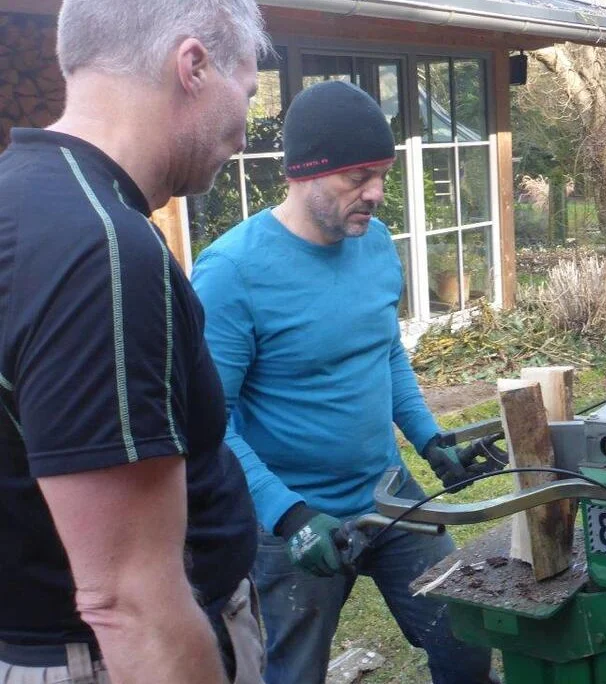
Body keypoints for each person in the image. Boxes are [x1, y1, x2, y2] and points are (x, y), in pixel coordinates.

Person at [0, 1, 271, 683]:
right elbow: (128, 603)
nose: (244, 131)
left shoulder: (20, 205)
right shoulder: (101, 255)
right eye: (248, 90)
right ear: (194, 66)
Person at [191, 80, 495, 684]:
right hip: (292, 521)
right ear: (304, 173)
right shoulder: (231, 274)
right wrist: (289, 514)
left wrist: (432, 441)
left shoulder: (374, 243)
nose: (376, 193)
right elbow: (209, 423)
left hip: (388, 493)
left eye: (381, 174)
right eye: (357, 177)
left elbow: (383, 354)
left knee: (465, 635)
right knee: (292, 671)